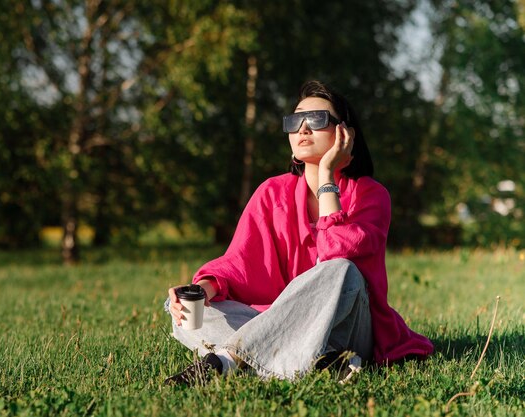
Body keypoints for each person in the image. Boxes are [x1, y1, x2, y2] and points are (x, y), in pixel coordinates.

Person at [163, 80, 434, 386]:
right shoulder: (271, 192)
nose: (303, 128)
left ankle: (225, 360)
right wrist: (203, 290)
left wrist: (327, 176)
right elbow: (239, 262)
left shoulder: (371, 195)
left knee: (342, 270)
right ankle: (321, 361)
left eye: (317, 120)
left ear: (346, 134)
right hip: (282, 320)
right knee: (184, 312)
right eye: (295, 121)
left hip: (349, 327)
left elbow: (336, 252)